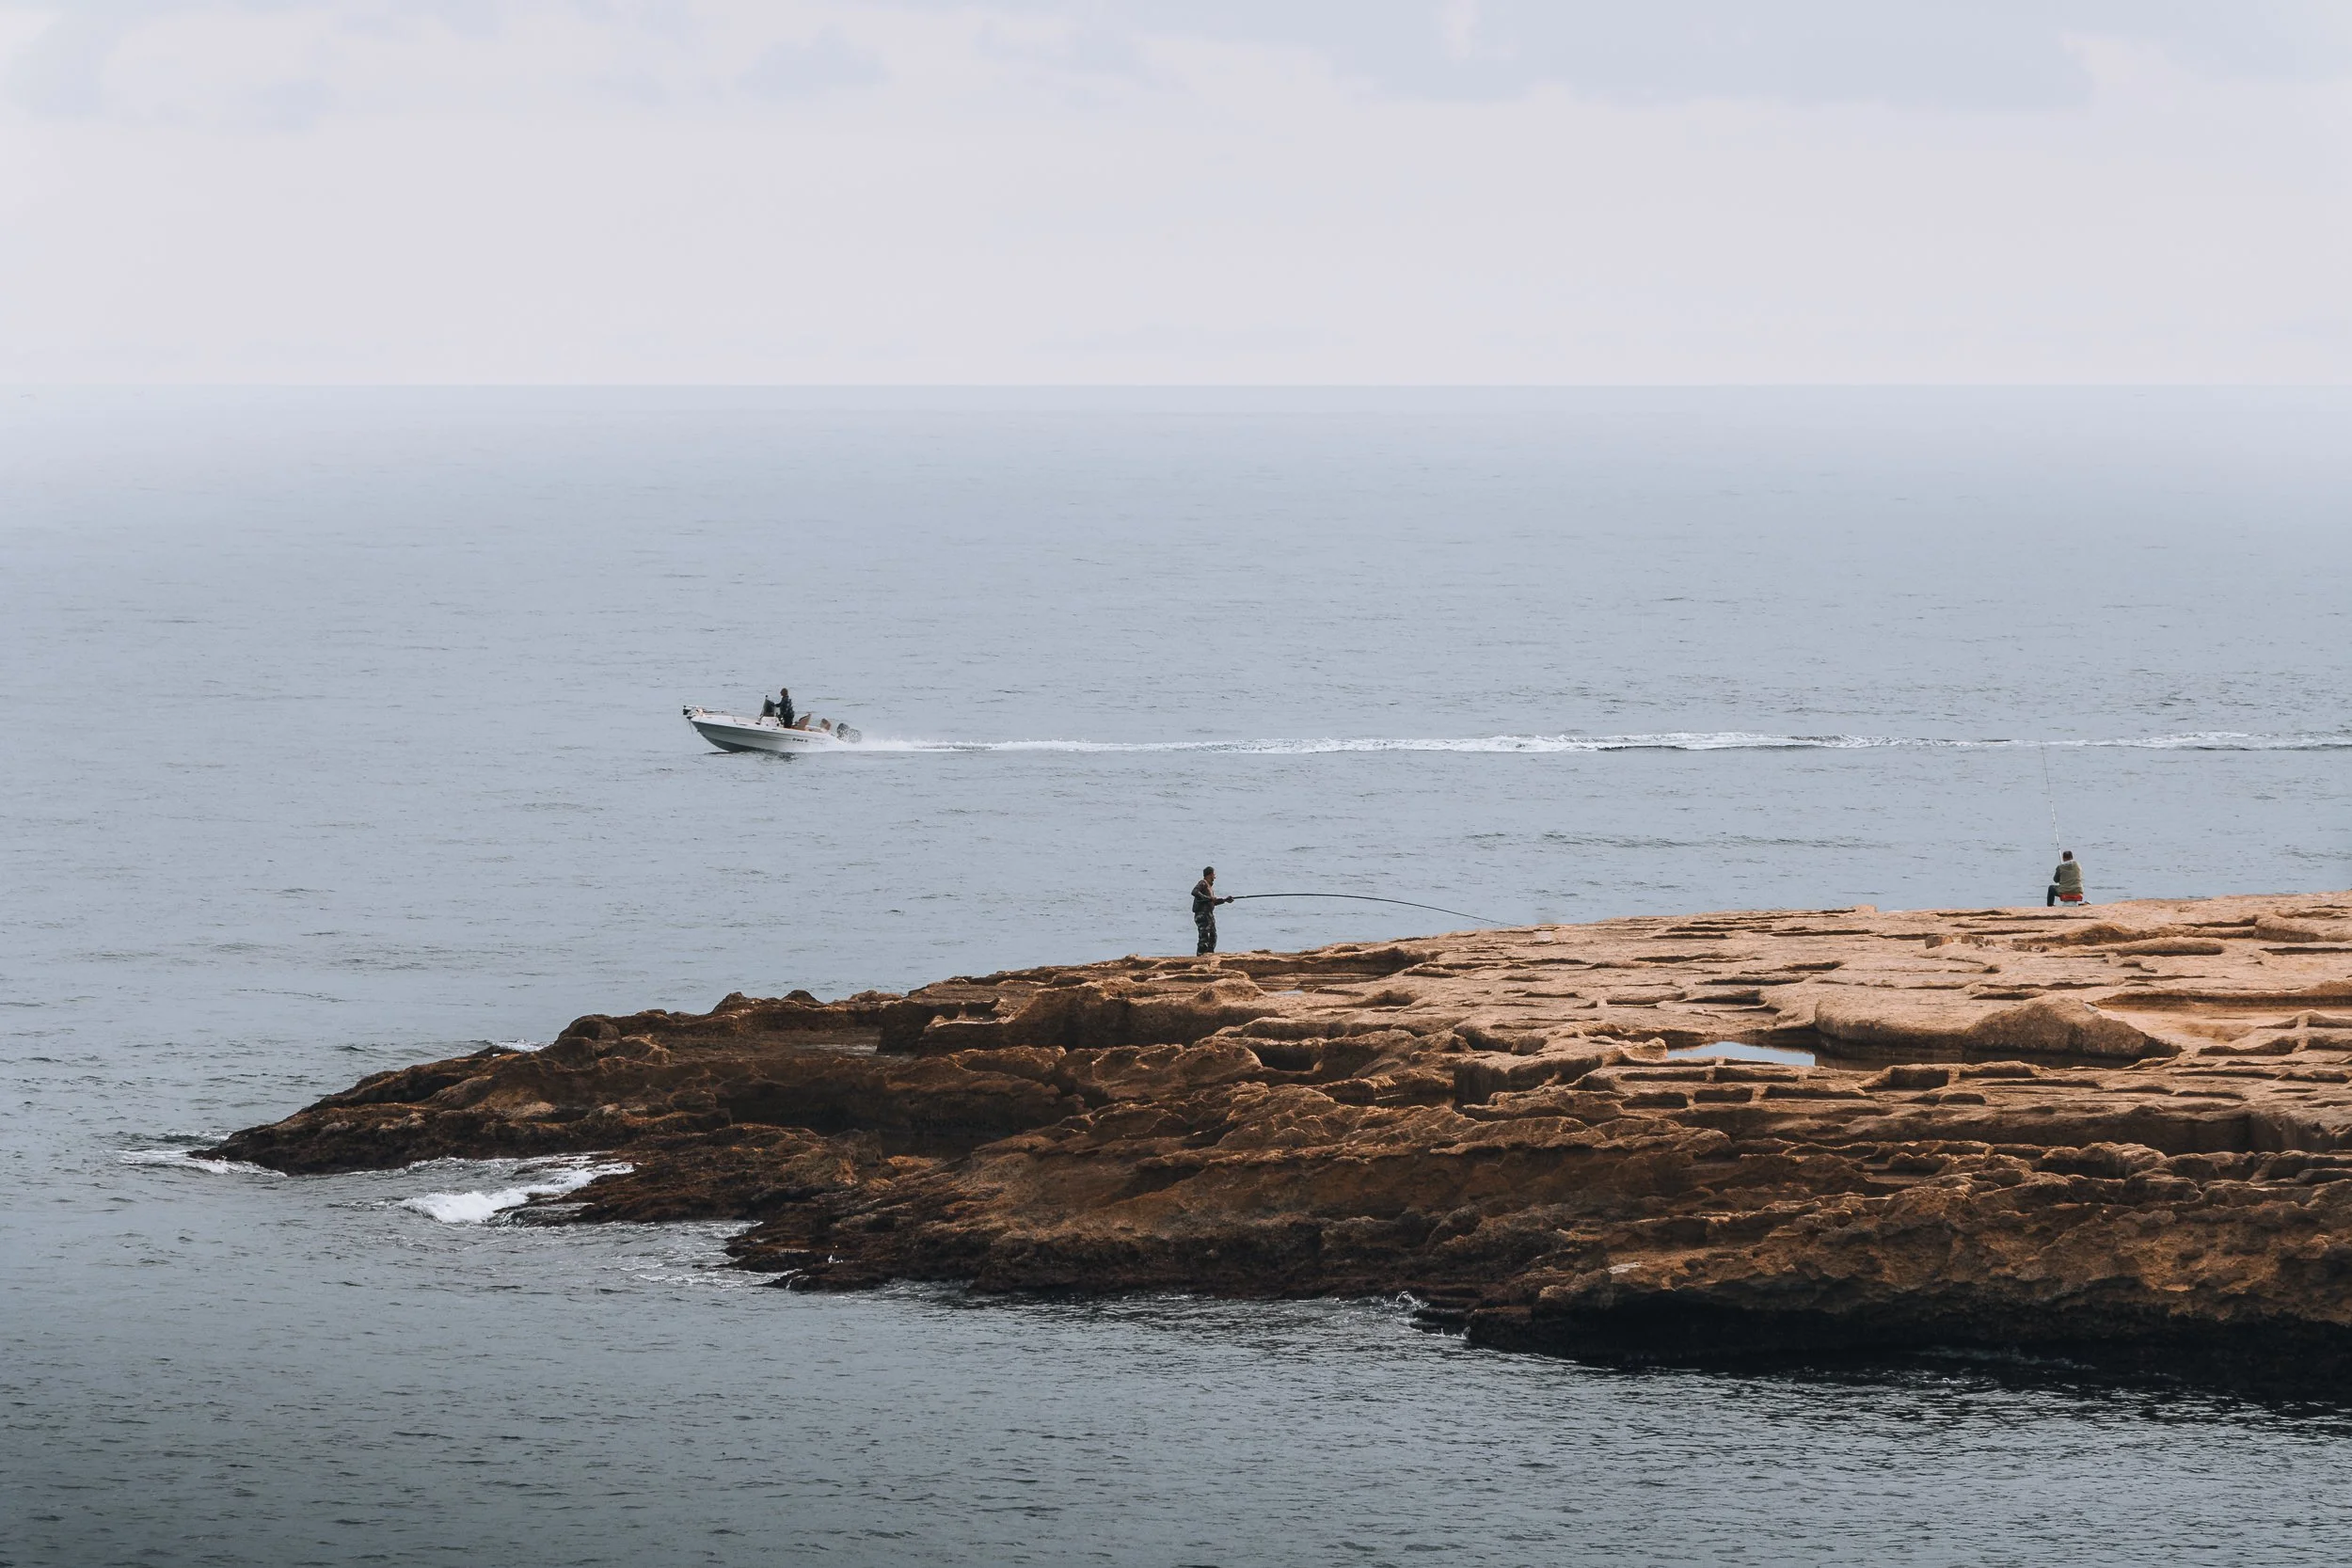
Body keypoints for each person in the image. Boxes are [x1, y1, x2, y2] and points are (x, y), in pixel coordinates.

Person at [1192, 866, 1234, 956]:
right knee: (1204, 938)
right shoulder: (1203, 883)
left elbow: (1212, 902)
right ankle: (1200, 957)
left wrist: (1225, 900)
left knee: (1213, 937)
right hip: (1202, 915)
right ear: (1210, 874)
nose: (1214, 877)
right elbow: (1194, 892)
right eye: (1213, 875)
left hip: (1209, 915)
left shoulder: (1209, 887)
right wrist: (1208, 898)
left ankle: (1209, 955)